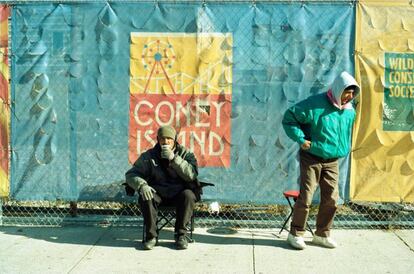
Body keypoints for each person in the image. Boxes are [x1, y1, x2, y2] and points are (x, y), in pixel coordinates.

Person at [282, 71, 360, 250]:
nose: (349, 96)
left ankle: (322, 234)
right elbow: (289, 118)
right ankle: (295, 234)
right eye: (347, 92)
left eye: (353, 93)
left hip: (333, 160)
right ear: (338, 89)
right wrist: (301, 140)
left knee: (332, 199)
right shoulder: (315, 104)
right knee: (306, 197)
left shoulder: (349, 110)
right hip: (312, 157)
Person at [125, 125, 200, 250]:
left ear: (174, 140)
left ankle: (180, 235)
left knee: (189, 195)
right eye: (162, 139)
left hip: (178, 193)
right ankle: (151, 237)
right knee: (146, 196)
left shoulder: (185, 154)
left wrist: (174, 158)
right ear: (158, 140)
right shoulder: (149, 155)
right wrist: (142, 185)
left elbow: (191, 175)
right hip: (158, 192)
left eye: (169, 139)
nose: (165, 142)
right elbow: (131, 174)